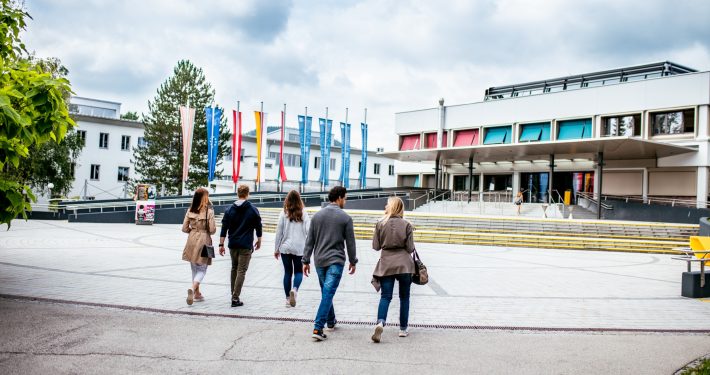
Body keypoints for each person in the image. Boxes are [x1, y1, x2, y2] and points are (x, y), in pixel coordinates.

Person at [303, 186, 357, 341]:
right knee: (328, 293)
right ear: (339, 197)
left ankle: (331, 321)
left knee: (327, 292)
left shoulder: (317, 216)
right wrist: (353, 261)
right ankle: (318, 328)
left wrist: (305, 260)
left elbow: (309, 241)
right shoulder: (345, 218)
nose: (345, 201)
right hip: (336, 261)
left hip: (319, 260)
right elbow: (351, 243)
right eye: (345, 198)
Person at [370, 196, 415, 342]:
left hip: (386, 264)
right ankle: (402, 329)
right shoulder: (407, 224)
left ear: (391, 207)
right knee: (404, 297)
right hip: (404, 265)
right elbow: (410, 248)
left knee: (385, 297)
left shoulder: (380, 224)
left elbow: (376, 247)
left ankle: (380, 322)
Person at [219, 184, 263, 307]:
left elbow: (224, 228)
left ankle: (233, 294)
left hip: (232, 244)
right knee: (241, 271)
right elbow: (258, 226)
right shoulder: (253, 209)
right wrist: (259, 240)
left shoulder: (229, 210)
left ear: (238, 194)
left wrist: (221, 244)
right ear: (248, 194)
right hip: (245, 245)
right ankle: (235, 298)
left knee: (234, 268)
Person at [274, 190, 310, 307]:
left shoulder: (284, 213)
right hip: (299, 248)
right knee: (298, 272)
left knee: (287, 273)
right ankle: (294, 289)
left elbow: (279, 232)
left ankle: (287, 299)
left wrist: (276, 248)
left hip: (285, 247)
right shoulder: (304, 213)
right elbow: (308, 231)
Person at [181, 187, 216, 305]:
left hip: (191, 239)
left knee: (194, 268)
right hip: (204, 239)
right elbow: (212, 230)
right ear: (205, 198)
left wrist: (193, 230)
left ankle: (196, 293)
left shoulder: (190, 210)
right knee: (202, 269)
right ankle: (193, 288)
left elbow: (184, 228)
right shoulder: (209, 212)